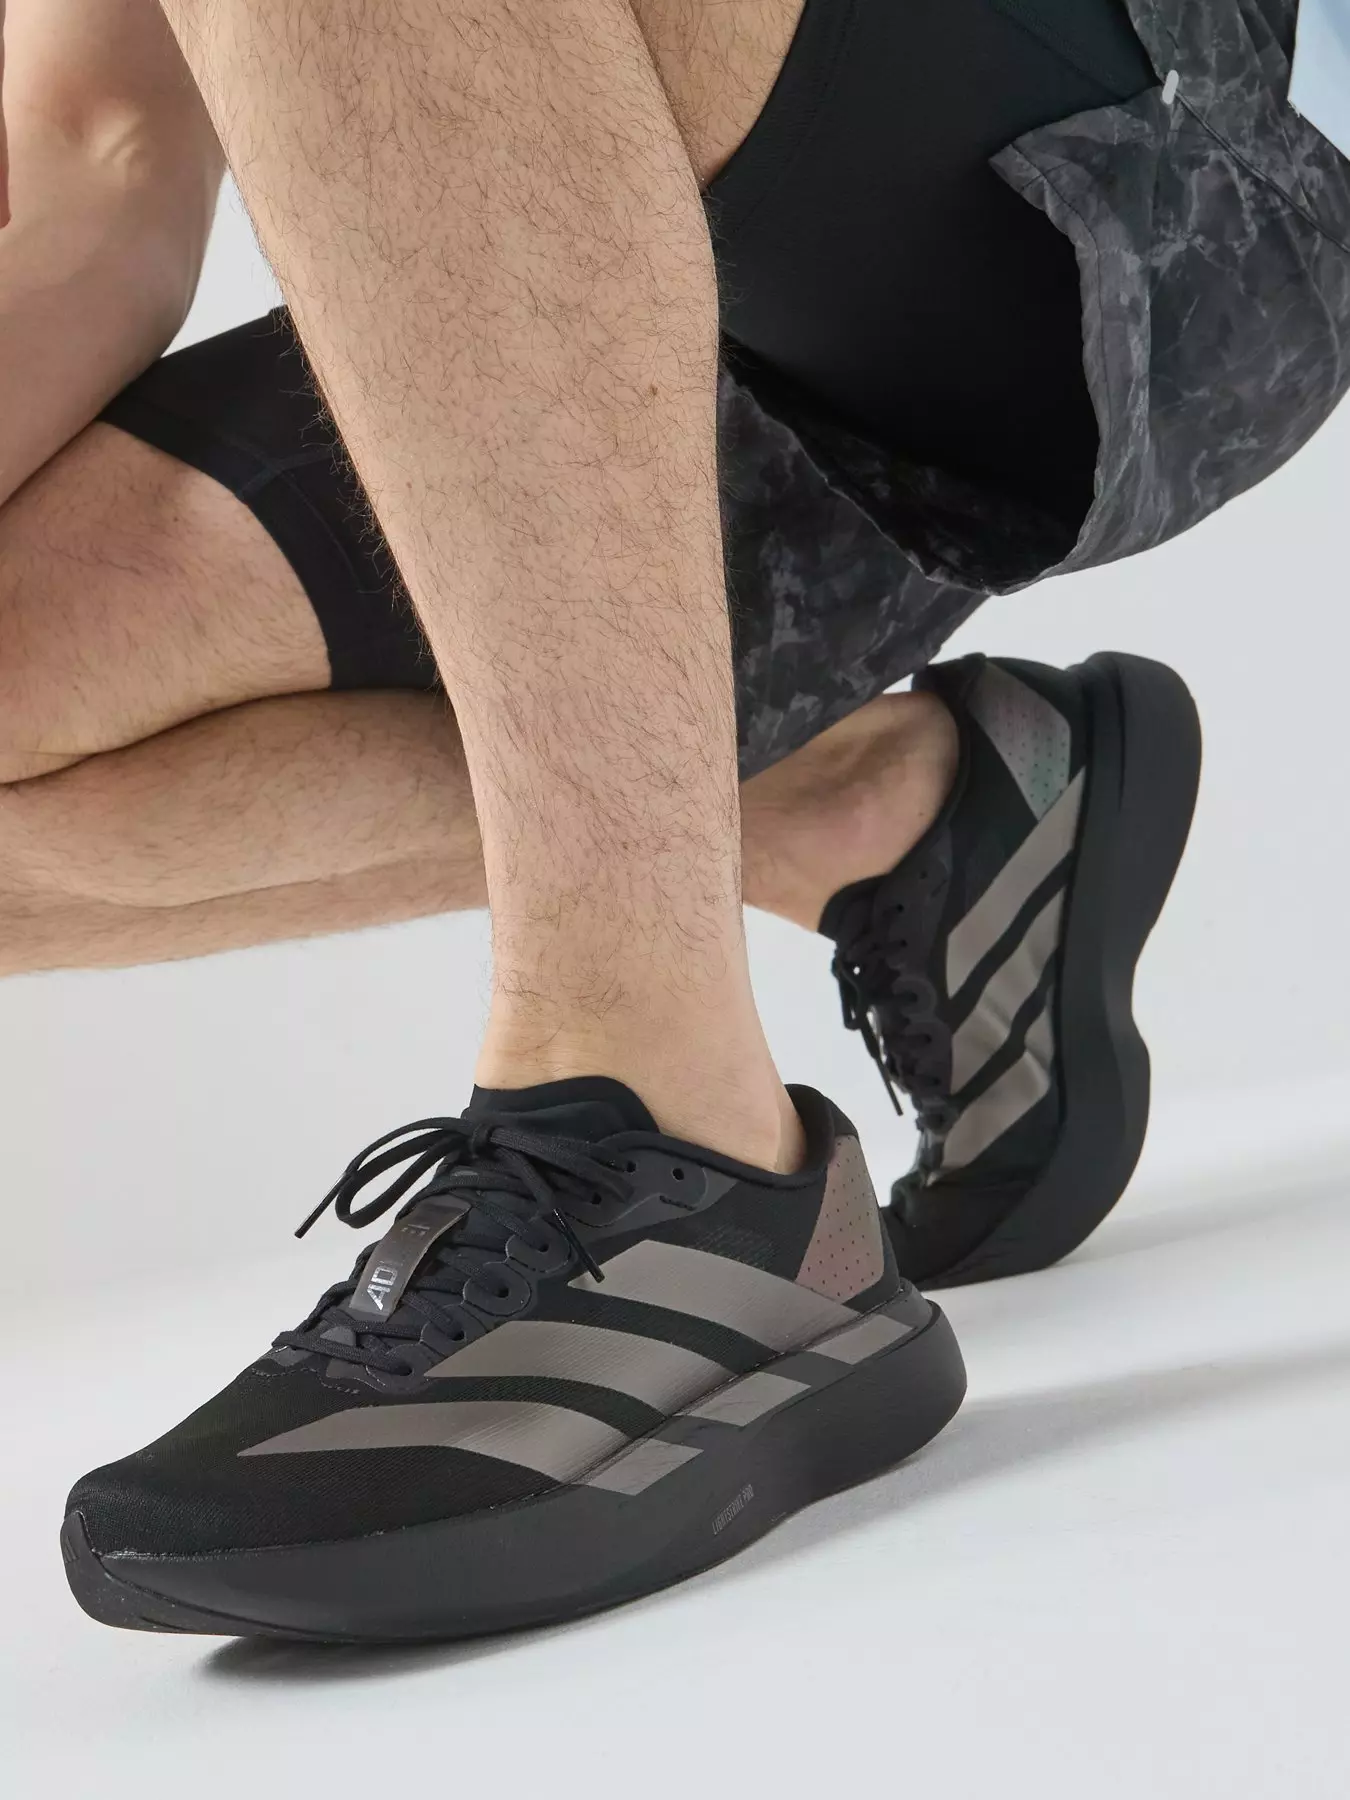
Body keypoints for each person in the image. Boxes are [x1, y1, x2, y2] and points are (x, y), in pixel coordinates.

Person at [0, 0, 1335, 1639]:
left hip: (1152, 186)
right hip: (589, 257)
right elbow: (96, 149)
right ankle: (880, 815)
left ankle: (665, 1124)